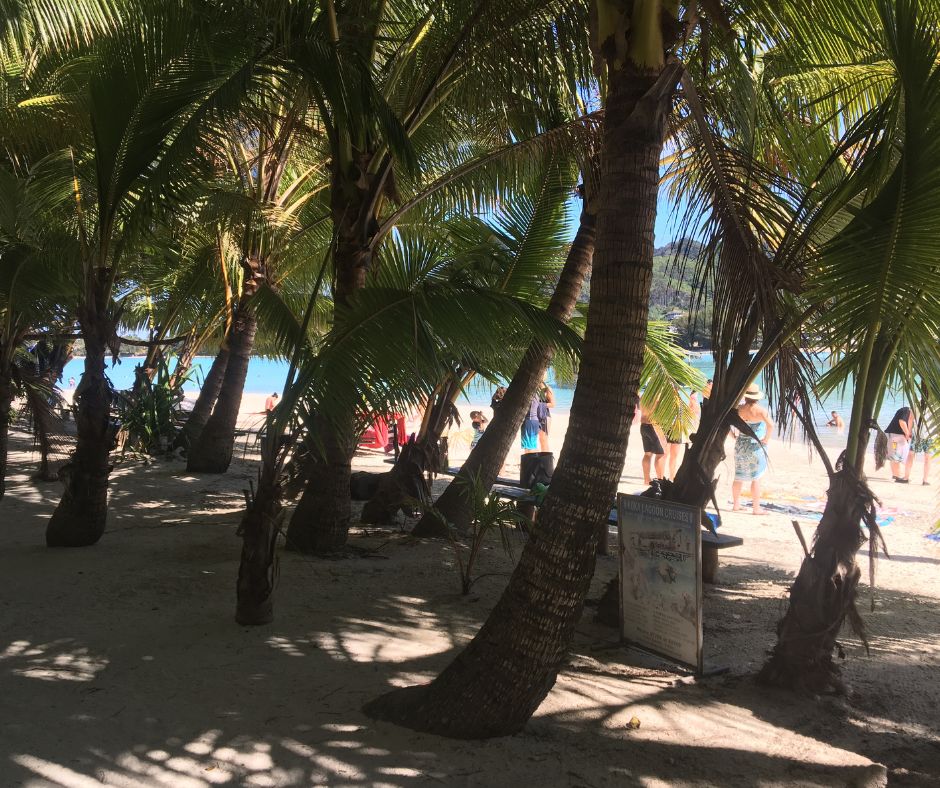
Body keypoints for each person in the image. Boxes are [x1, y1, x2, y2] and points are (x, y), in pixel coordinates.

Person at [731, 383, 774, 515]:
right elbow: (771, 426)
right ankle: (756, 508)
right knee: (756, 477)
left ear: (746, 396)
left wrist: (733, 435)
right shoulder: (761, 411)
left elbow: (726, 423)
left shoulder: (738, 409)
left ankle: (736, 505)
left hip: (740, 444)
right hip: (755, 446)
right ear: (757, 397)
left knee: (738, 476)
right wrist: (766, 440)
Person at [639, 397, 666, 484]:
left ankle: (646, 480)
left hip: (643, 426)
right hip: (653, 426)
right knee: (660, 455)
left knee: (647, 454)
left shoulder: (644, 395)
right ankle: (660, 480)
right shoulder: (657, 397)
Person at [884, 405, 914, 482]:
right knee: (895, 455)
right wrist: (907, 433)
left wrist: (908, 433)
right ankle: (896, 476)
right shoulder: (906, 410)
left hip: (896, 435)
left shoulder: (907, 411)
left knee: (897, 455)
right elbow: (902, 421)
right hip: (894, 435)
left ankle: (896, 475)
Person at [537, 379, 555, 452]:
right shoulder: (533, 388)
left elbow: (552, 404)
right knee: (538, 440)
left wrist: (538, 405)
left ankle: (546, 461)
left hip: (545, 416)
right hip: (535, 417)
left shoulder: (547, 388)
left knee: (543, 440)